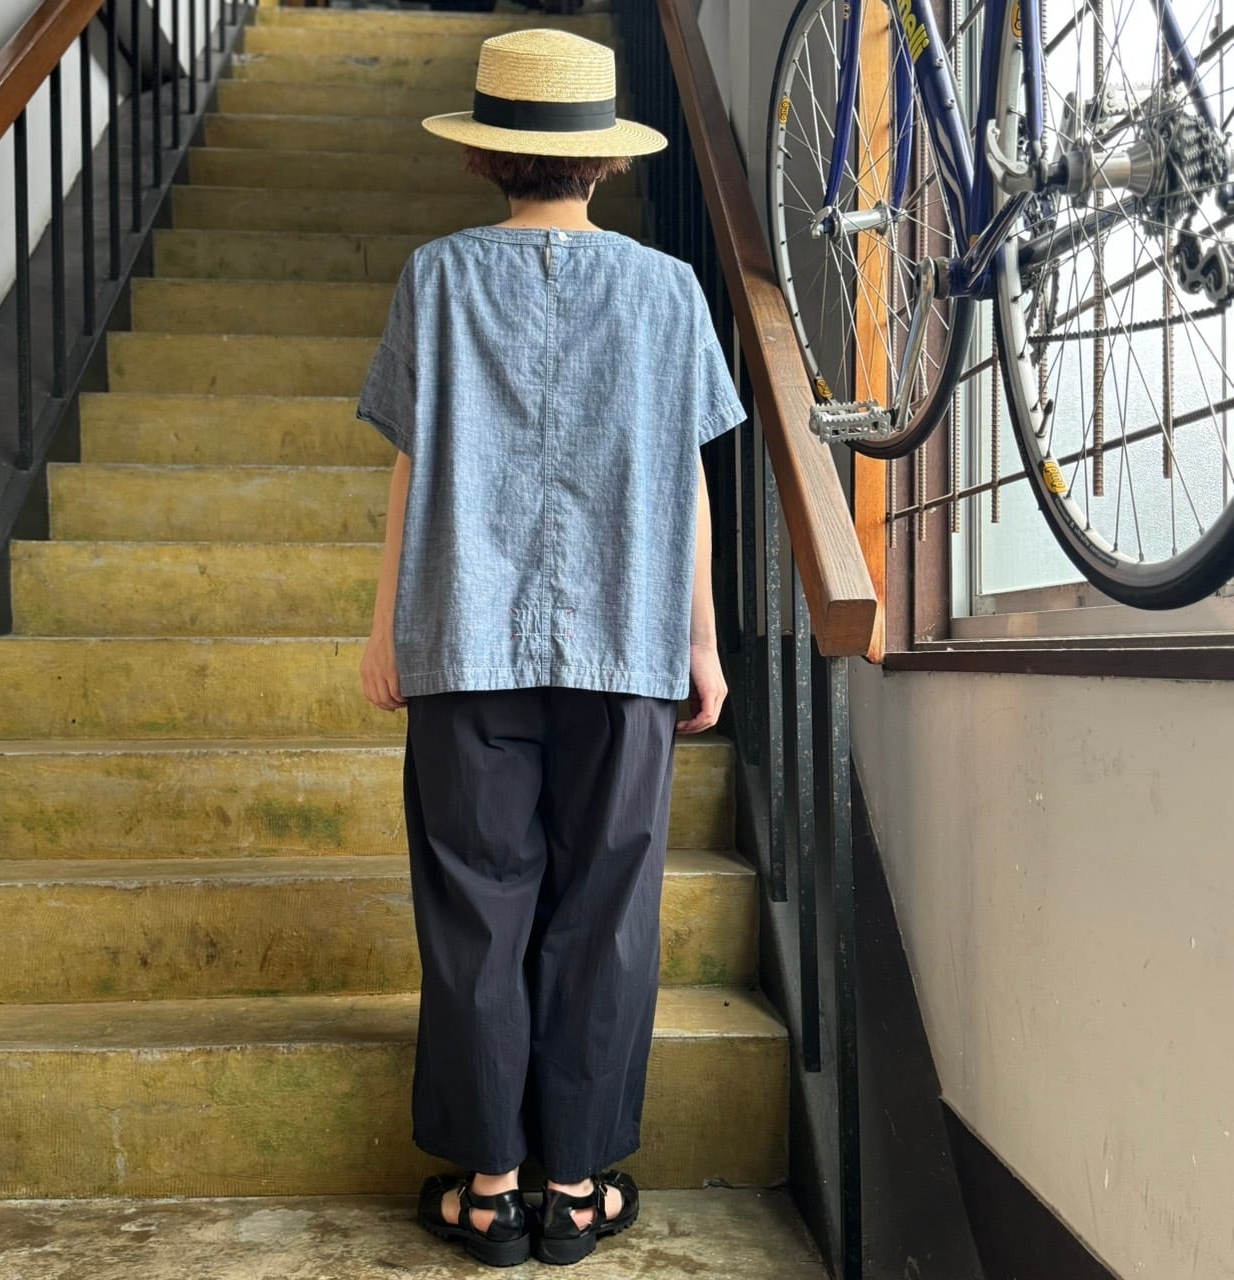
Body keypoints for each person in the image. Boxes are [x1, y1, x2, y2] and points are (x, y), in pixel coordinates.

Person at [356, 27, 746, 1268]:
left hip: (462, 640)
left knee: (474, 908)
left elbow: (410, 467)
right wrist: (703, 640)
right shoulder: (667, 291)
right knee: (606, 911)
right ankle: (574, 1188)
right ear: (605, 162)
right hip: (628, 640)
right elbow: (686, 482)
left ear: (482, 157)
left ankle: (488, 1189)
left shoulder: (433, 278)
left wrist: (386, 626)